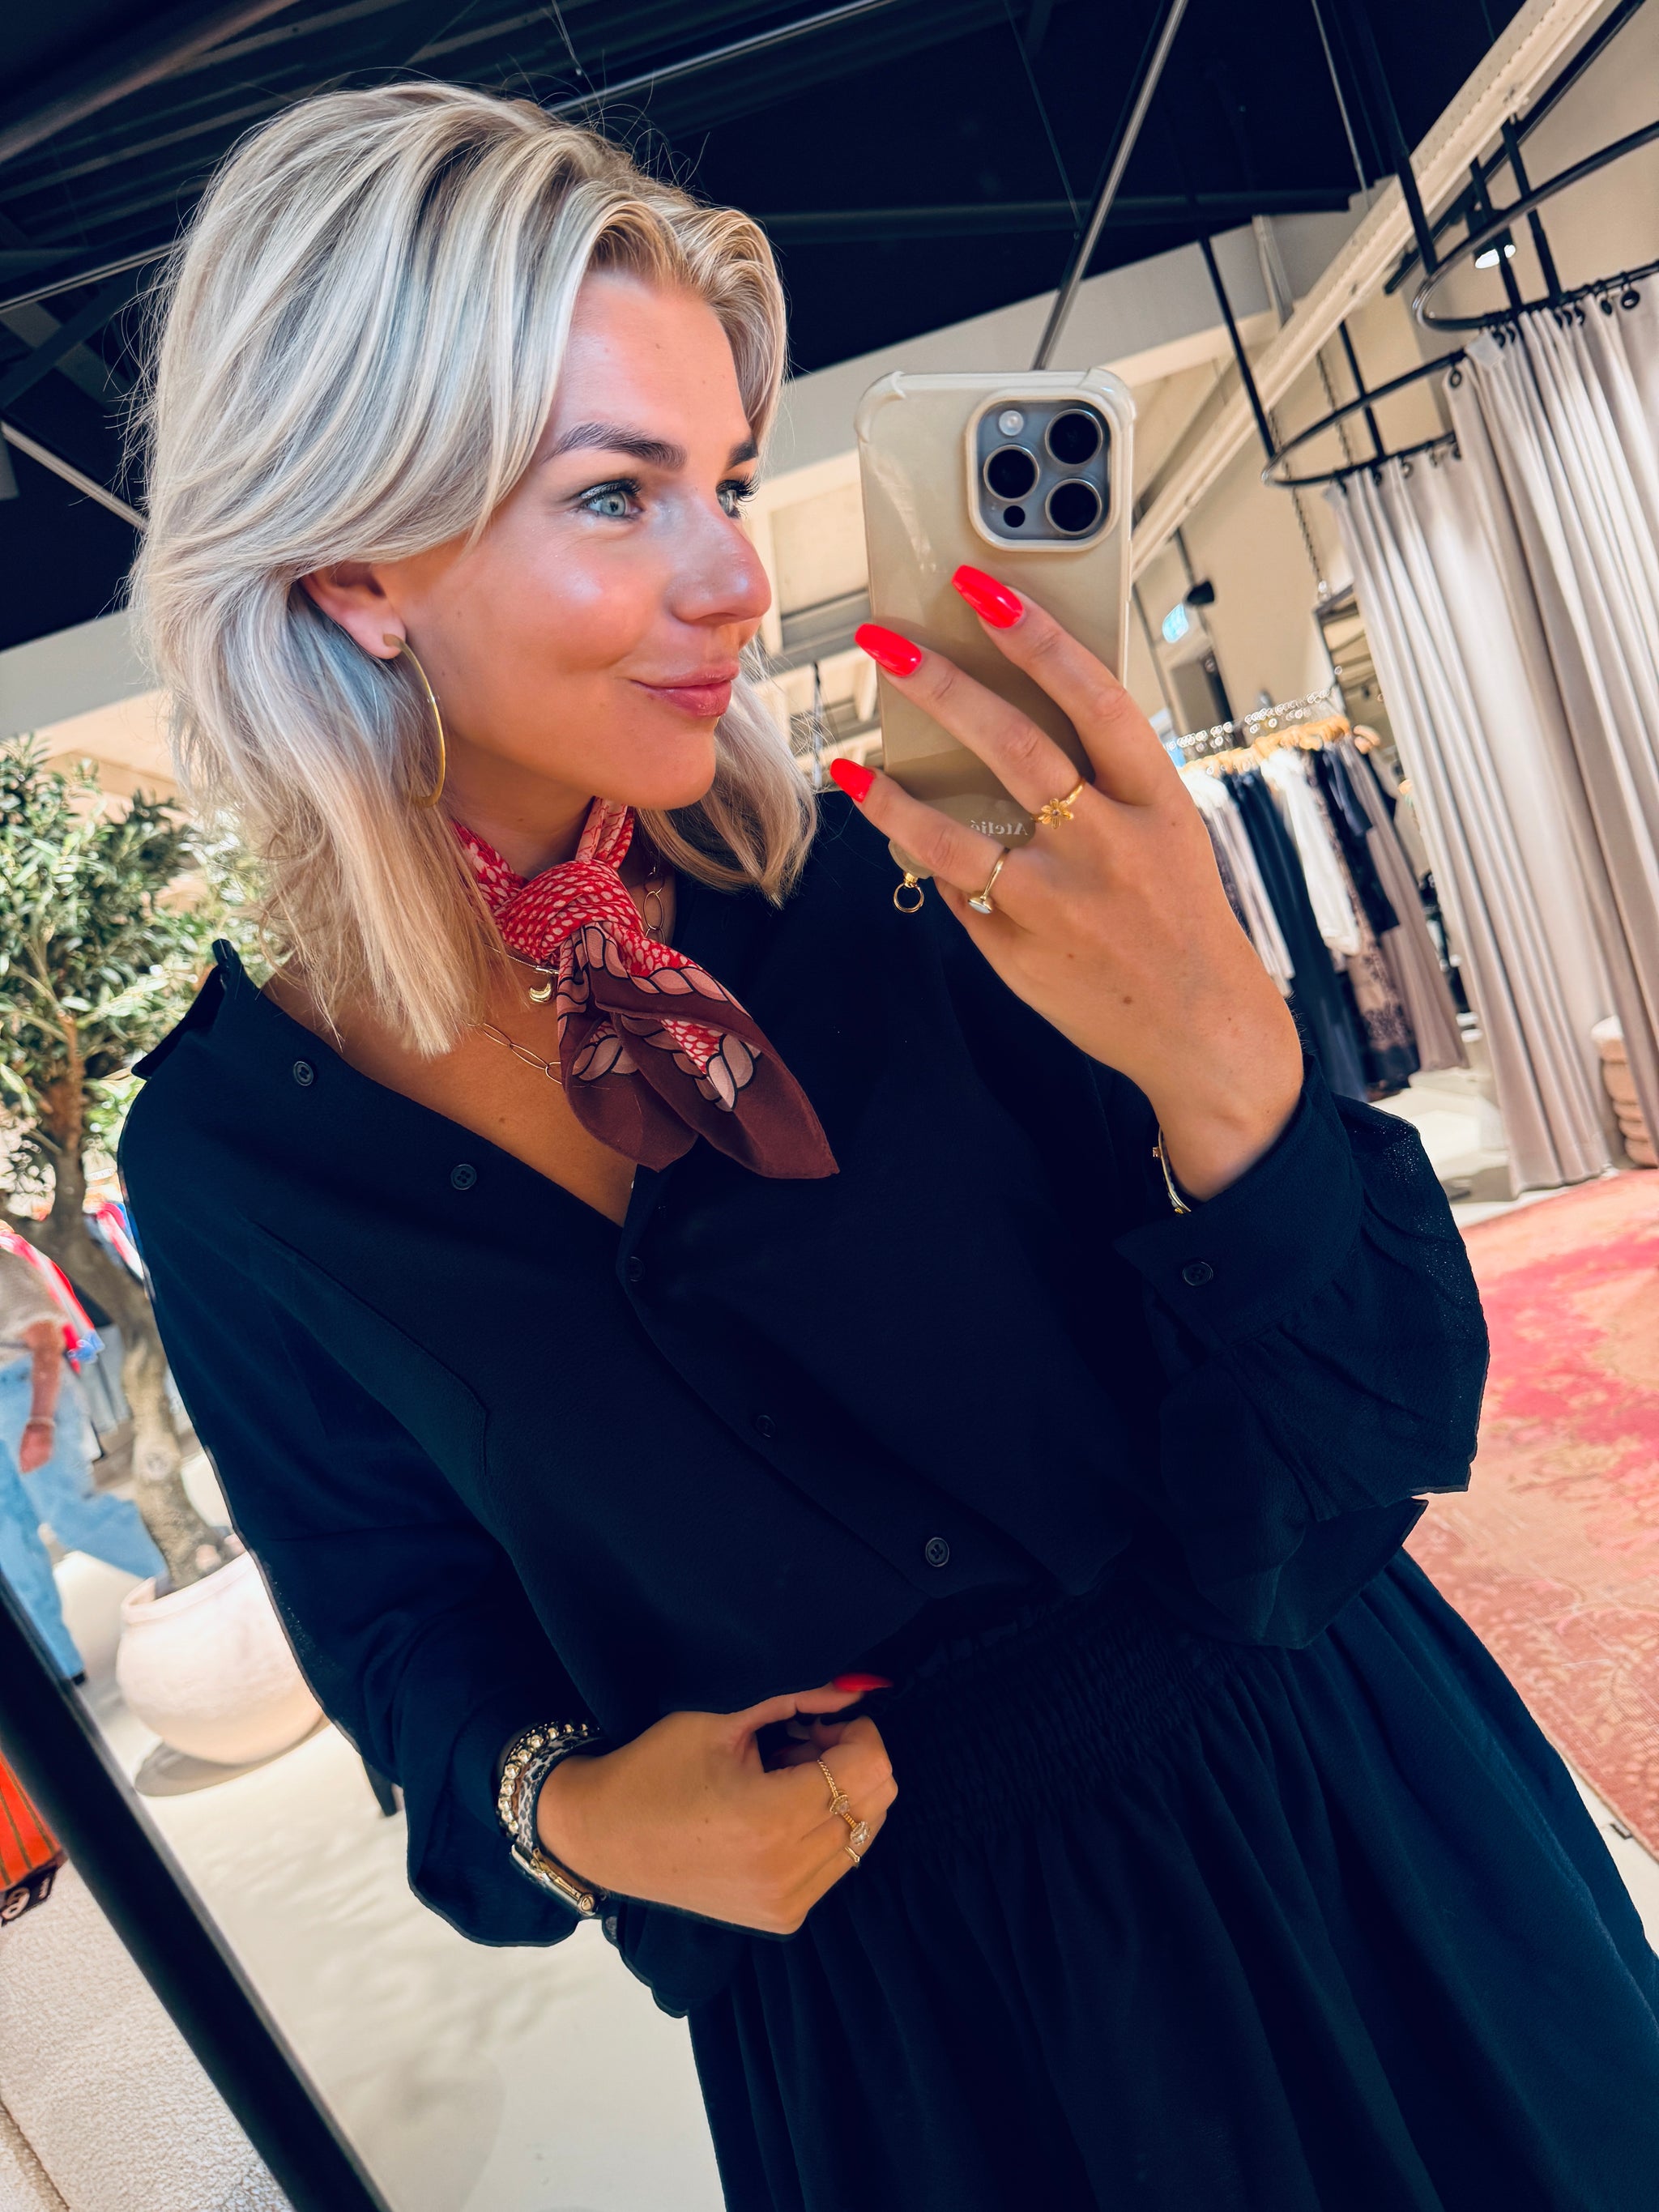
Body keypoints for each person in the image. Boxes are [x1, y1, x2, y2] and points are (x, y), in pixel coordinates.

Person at [118, 83, 1659, 2212]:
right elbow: (403, 1650)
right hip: (914, 2049)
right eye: (618, 493)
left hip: (1331, 1840)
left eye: (729, 481)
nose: (737, 579)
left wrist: (1232, 1061)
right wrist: (581, 1814)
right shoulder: (234, 1161)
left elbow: (1370, 1430)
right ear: (351, 564)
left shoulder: (895, 884)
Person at [0, 1245, 164, 1677]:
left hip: (25, 1392)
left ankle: (184, 1562)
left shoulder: (2, 1266)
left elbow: (46, 1342)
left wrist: (39, 1421)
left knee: (72, 1514)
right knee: (8, 1542)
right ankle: (57, 1663)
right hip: (11, 1401)